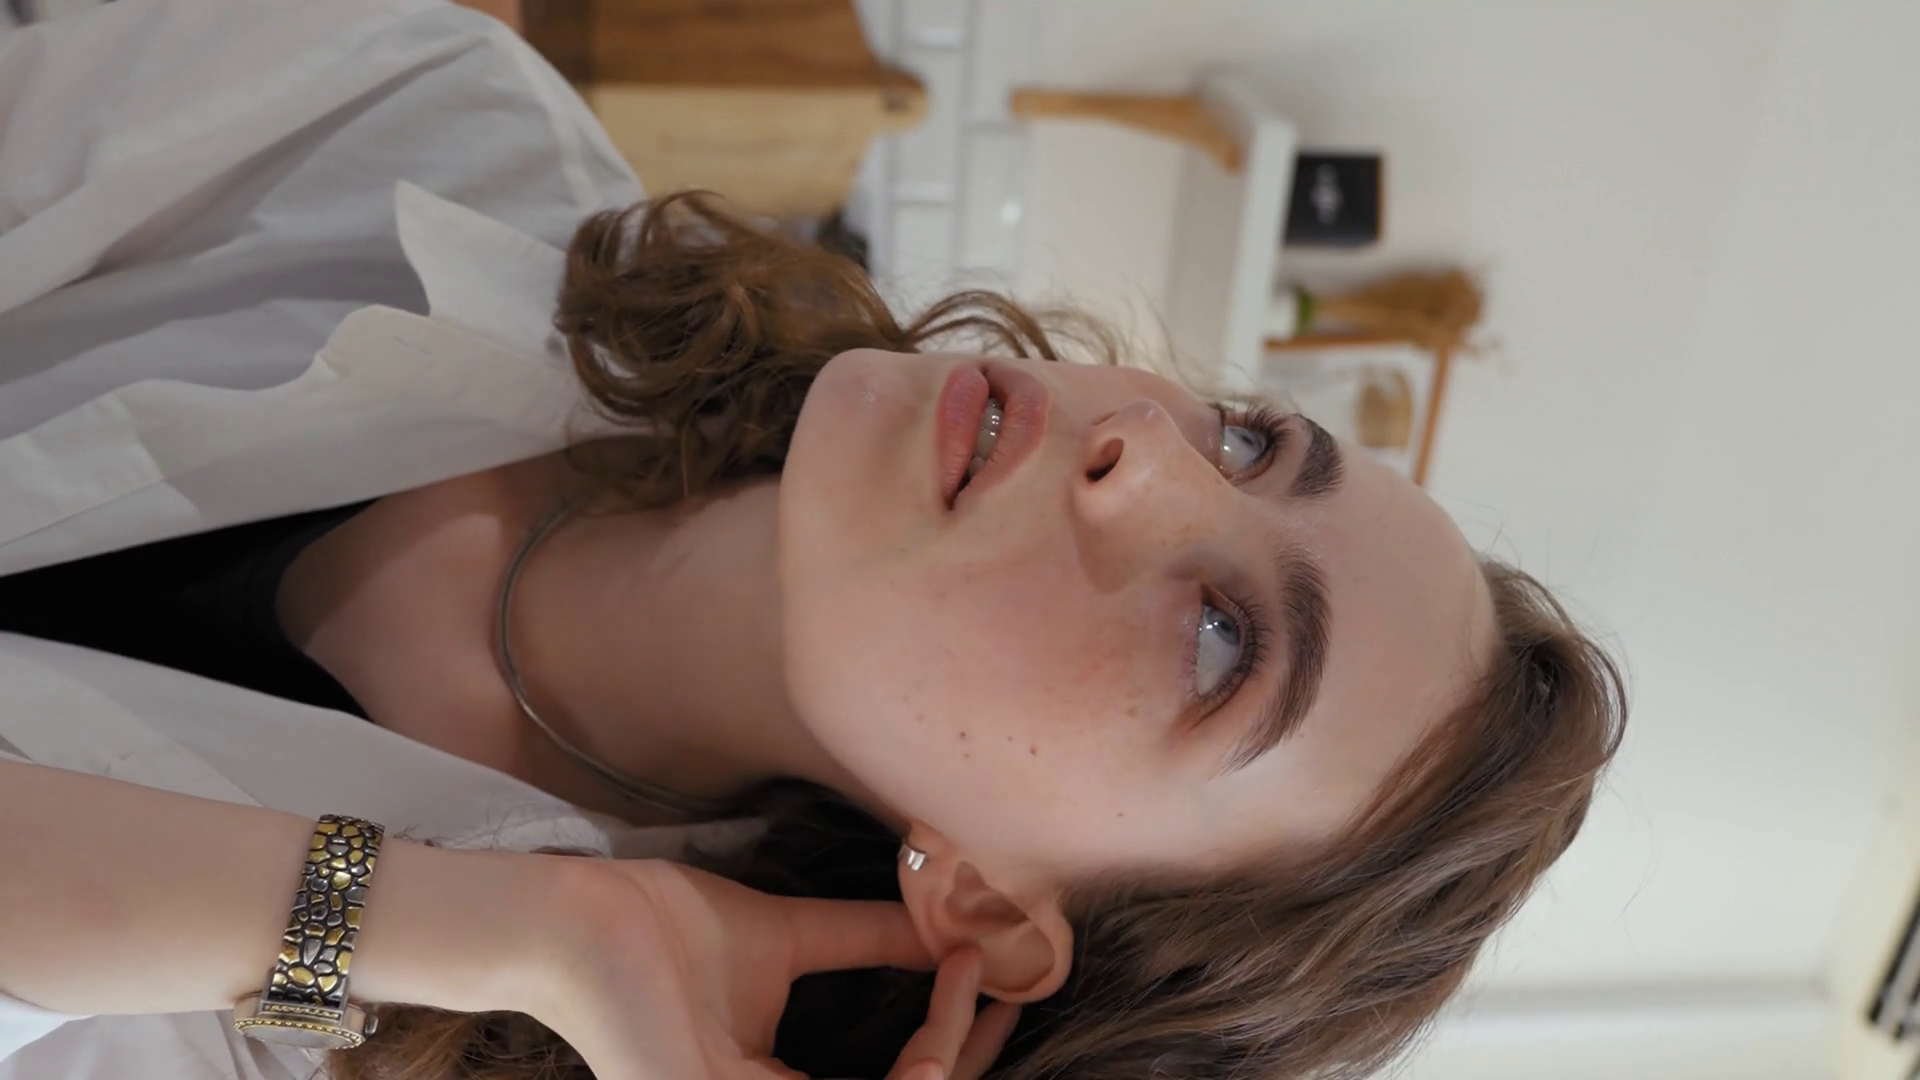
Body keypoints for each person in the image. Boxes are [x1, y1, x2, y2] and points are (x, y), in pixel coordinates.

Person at [0, 1, 1628, 1079]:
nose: (1143, 449)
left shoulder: (382, 1033)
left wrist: (520, 931)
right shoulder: (447, 129)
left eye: (1223, 643)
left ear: (992, 913)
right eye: (1254, 445)